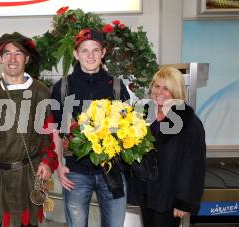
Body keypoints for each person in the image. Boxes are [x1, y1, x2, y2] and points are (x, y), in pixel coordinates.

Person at [0, 32, 59, 227]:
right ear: (0, 58)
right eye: (7, 53)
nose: (12, 59)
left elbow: (47, 135)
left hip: (27, 177)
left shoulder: (40, 91)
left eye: (18, 53)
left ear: (27, 58)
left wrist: (47, 162)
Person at [50, 28, 130, 227]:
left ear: (103, 52)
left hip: (113, 170)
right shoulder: (63, 87)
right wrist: (58, 165)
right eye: (84, 50)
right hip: (76, 172)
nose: (90, 55)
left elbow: (129, 128)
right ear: (76, 54)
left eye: (95, 50)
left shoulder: (117, 87)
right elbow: (56, 130)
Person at [132, 67, 206, 227]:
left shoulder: (190, 123)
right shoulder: (142, 115)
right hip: (146, 193)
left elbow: (193, 165)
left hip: (169, 198)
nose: (159, 92)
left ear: (176, 91)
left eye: (166, 88)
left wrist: (184, 201)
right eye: (156, 86)